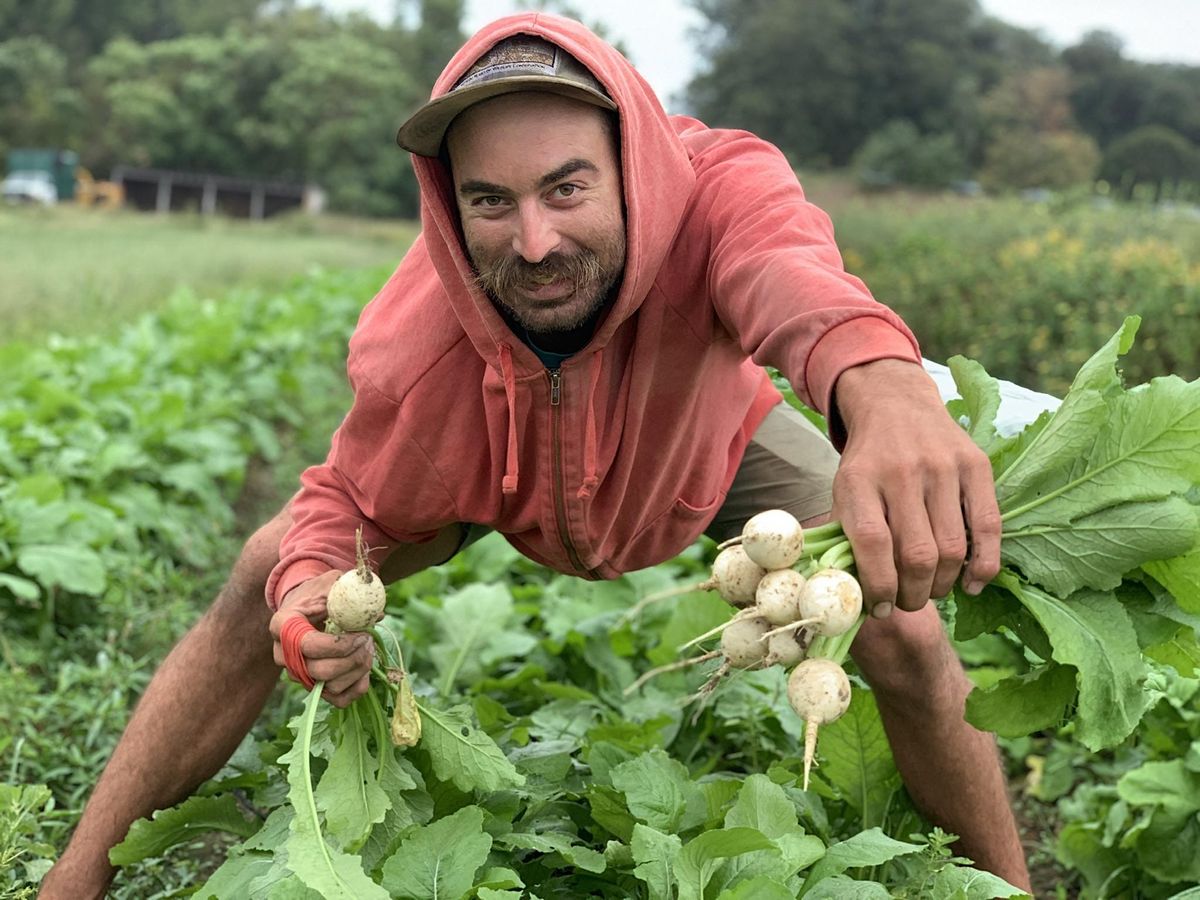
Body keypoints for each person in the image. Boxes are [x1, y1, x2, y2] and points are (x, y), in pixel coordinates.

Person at [41, 14, 1031, 896]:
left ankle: (1008, 888)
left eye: (567, 187)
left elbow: (788, 269)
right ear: (450, 205)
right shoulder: (419, 351)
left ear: (631, 162)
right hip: (492, 471)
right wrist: (308, 604)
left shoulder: (715, 189)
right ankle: (72, 882)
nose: (535, 240)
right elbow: (339, 503)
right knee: (268, 571)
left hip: (703, 438)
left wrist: (884, 389)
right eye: (490, 201)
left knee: (903, 632)